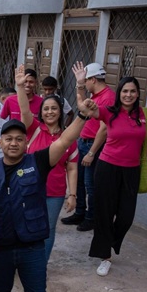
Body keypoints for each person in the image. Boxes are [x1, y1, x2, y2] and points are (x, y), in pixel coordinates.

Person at [0, 73, 97, 292]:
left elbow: (67, 138)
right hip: (2, 245)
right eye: (9, 139)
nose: (15, 143)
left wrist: (82, 115)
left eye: (20, 139)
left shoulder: (38, 162)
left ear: (25, 143)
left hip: (32, 246)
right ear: (1, 142)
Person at [72, 63, 147, 277]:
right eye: (125, 91)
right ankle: (105, 256)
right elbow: (84, 108)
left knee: (126, 217)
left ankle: (108, 242)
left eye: (132, 91)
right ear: (119, 94)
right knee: (104, 214)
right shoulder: (109, 113)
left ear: (138, 94)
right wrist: (81, 85)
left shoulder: (144, 115)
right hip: (107, 169)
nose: (128, 95)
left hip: (131, 172)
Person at [13, 67, 78, 260]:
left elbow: (72, 167)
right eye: (46, 109)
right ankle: (21, 259)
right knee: (23, 223)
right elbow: (25, 110)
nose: (50, 112)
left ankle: (40, 263)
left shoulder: (68, 138)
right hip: (28, 188)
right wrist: (19, 87)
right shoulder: (33, 129)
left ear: (60, 112)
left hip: (55, 193)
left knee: (47, 229)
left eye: (54, 108)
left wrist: (72, 194)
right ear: (41, 112)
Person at [62, 62, 113, 232]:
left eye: (86, 81)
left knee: (91, 184)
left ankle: (91, 217)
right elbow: (81, 105)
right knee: (79, 182)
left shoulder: (108, 97)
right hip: (83, 141)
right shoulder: (94, 94)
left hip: (94, 145)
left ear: (93, 79)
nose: (85, 84)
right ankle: (80, 212)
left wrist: (91, 152)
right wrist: (80, 85)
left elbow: (104, 129)